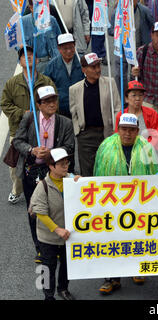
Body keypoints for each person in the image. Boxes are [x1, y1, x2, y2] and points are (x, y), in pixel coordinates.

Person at [94, 113, 158, 294]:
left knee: (136, 237)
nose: (127, 134)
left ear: (137, 131)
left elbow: (155, 177)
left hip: (139, 203)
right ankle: (111, 278)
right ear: (118, 129)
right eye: (124, 129)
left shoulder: (146, 148)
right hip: (112, 203)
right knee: (111, 240)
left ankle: (136, 269)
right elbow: (97, 175)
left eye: (132, 130)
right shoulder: (105, 147)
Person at [13, 86, 75, 264]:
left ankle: (59, 246)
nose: (52, 104)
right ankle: (39, 248)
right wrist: (32, 150)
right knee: (35, 210)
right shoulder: (29, 118)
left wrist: (51, 153)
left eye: (53, 100)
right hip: (32, 171)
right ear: (38, 104)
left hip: (54, 172)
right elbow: (18, 141)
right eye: (46, 101)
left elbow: (69, 147)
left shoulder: (65, 122)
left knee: (57, 210)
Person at [1, 46, 56, 205]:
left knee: (41, 161)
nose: (29, 57)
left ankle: (43, 191)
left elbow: (54, 102)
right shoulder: (12, 83)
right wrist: (22, 113)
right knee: (16, 166)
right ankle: (17, 190)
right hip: (19, 131)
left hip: (42, 129)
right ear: (20, 62)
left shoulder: (46, 82)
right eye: (24, 56)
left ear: (38, 60)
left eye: (32, 55)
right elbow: (5, 104)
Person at [29, 148, 78, 300]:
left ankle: (63, 289)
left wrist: (82, 183)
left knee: (66, 265)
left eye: (67, 163)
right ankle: (48, 296)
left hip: (67, 235)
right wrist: (57, 230)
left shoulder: (72, 181)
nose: (66, 166)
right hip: (48, 237)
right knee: (48, 267)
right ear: (51, 166)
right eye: (62, 164)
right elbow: (40, 213)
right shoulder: (42, 187)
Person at [69, 52, 121, 177]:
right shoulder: (74, 89)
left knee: (108, 169)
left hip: (107, 133)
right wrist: (78, 132)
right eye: (93, 67)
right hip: (85, 136)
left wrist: (115, 131)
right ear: (84, 70)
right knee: (87, 172)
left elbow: (117, 108)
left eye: (98, 66)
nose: (98, 70)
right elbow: (73, 112)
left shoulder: (110, 83)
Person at [112, 0, 154, 93]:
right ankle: (123, 98)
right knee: (120, 74)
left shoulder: (144, 11)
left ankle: (134, 94)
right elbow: (111, 30)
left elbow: (152, 24)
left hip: (138, 47)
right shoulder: (118, 12)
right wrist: (120, 32)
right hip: (123, 48)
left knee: (135, 73)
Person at [114, 80, 158, 155]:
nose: (137, 98)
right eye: (134, 95)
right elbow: (117, 136)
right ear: (126, 98)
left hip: (149, 152)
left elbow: (155, 137)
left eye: (140, 95)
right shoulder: (121, 115)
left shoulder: (152, 113)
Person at [44, 33, 85, 119]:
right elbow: (46, 88)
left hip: (82, 107)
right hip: (61, 109)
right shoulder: (51, 66)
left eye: (71, 47)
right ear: (59, 49)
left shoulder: (83, 62)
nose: (69, 51)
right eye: (65, 48)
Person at [22, 0, 62, 72]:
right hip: (33, 66)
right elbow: (18, 45)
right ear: (30, 8)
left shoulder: (52, 20)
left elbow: (60, 41)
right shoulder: (23, 22)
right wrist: (23, 46)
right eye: (37, 6)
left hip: (52, 63)